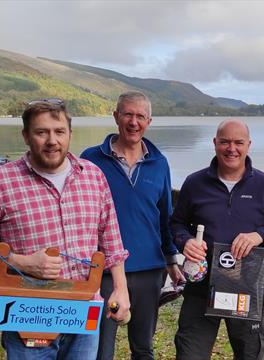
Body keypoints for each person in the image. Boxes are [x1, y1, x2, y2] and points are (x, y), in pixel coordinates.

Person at [0, 99, 130, 359]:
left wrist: (120, 288)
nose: (52, 140)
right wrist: (21, 262)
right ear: (26, 136)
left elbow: (111, 240)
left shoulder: (93, 176)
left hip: (83, 314)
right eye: (41, 132)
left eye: (59, 131)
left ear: (69, 134)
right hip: (27, 314)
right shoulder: (0, 181)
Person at [171, 118, 264, 360]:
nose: (231, 148)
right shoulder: (195, 183)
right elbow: (176, 224)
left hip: (246, 288)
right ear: (215, 143)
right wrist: (185, 241)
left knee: (249, 355)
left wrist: (260, 235)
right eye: (224, 142)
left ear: (249, 145)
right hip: (200, 287)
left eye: (238, 142)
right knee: (189, 354)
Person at [81, 91, 183, 360]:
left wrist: (172, 261)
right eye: (128, 114)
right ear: (116, 117)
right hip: (103, 271)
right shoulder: (90, 160)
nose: (133, 122)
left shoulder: (159, 163)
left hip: (149, 270)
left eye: (140, 116)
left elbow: (165, 216)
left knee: (143, 348)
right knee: (100, 350)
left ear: (149, 121)